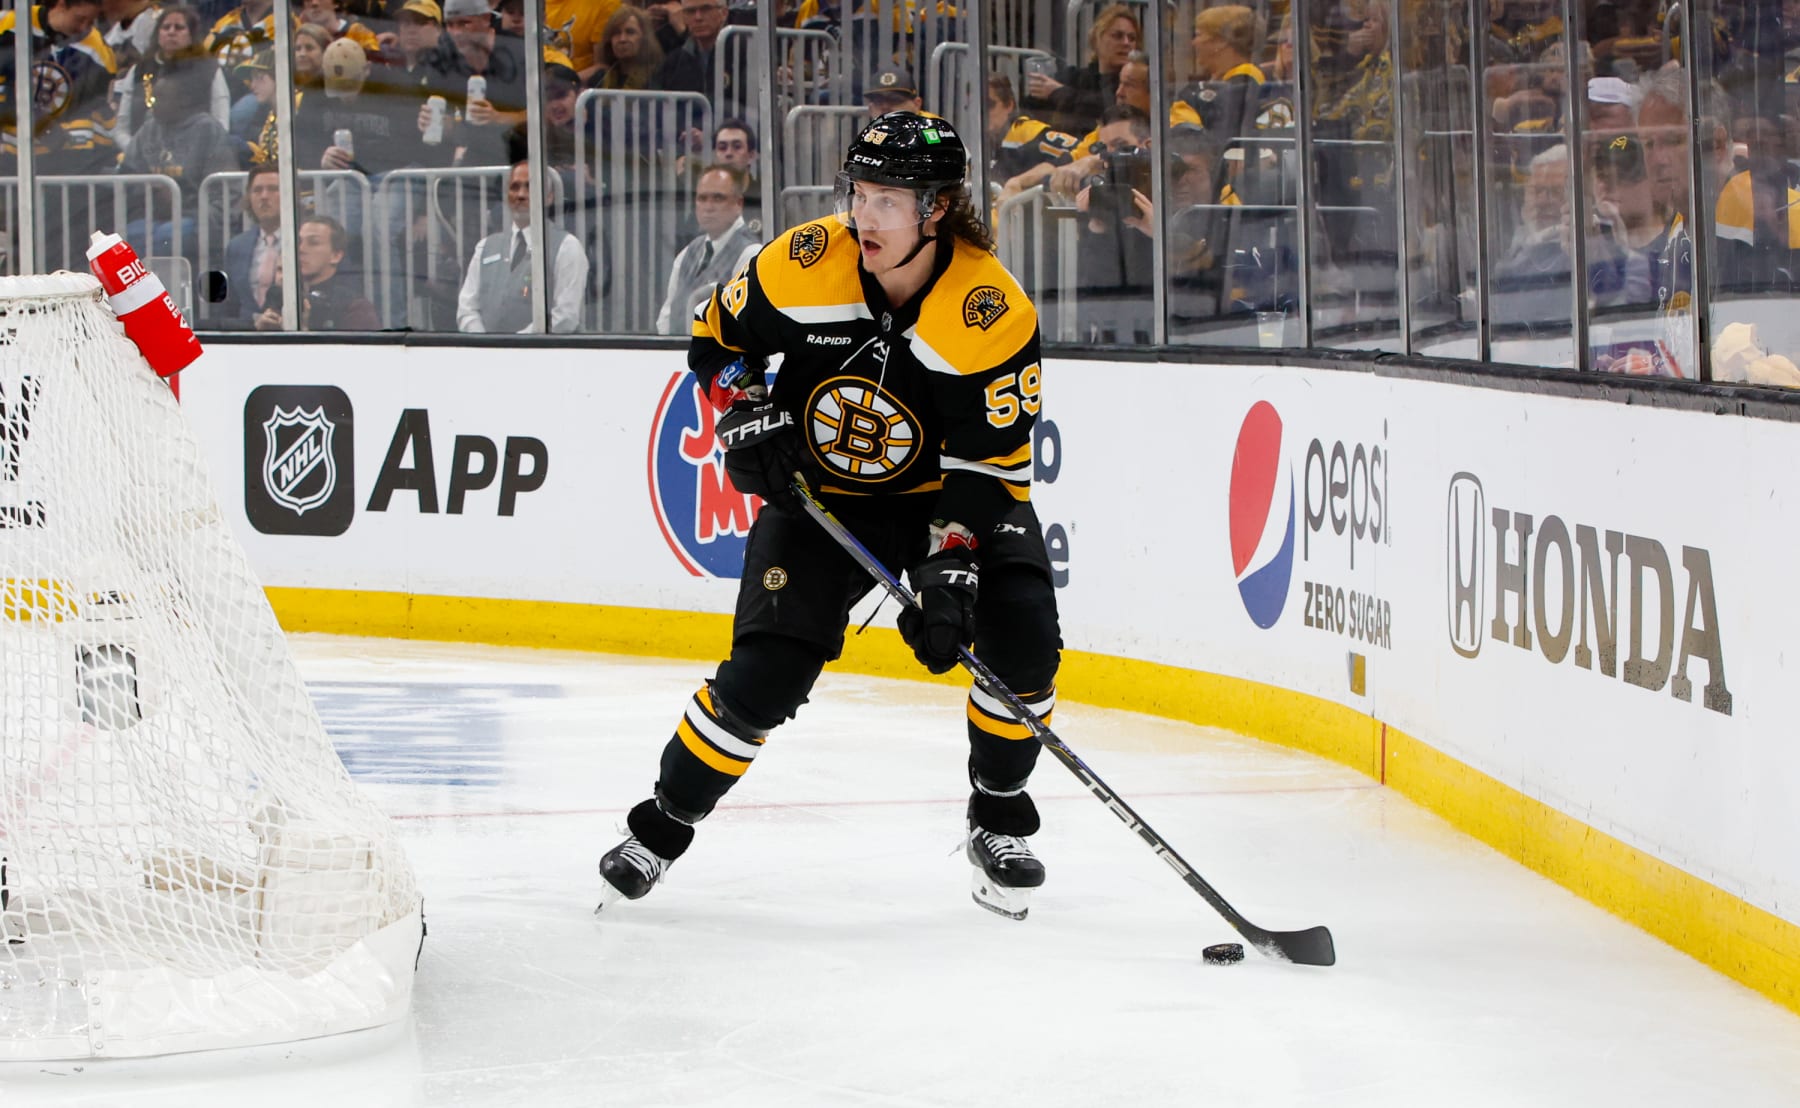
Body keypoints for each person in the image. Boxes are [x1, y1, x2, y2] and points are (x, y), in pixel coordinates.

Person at [596, 112, 1060, 922]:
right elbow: (715, 343)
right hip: (819, 496)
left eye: (888, 200)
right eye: (859, 193)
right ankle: (662, 824)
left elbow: (990, 464)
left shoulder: (991, 313)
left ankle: (998, 819)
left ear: (937, 209)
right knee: (765, 674)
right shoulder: (802, 263)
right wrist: (745, 412)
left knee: (1021, 634)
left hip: (942, 501)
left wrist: (950, 562)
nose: (863, 216)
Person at [455, 160, 589, 333]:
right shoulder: (484, 247)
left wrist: (516, 346)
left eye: (529, 187)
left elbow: (565, 317)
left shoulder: (568, 247)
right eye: (514, 187)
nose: (521, 194)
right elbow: (467, 309)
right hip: (487, 356)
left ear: (549, 197)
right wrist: (485, 345)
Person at [656, 163, 759, 334]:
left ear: (738, 203)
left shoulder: (751, 255)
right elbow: (665, 318)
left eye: (718, 198)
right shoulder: (687, 253)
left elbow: (744, 328)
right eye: (702, 198)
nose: (708, 207)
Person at [1023, 1, 1137, 137]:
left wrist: (1059, 93)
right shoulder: (1075, 76)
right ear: (1096, 39)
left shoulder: (1136, 82)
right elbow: (1029, 107)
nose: (1126, 43)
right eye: (1117, 36)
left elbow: (1109, 107)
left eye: (1132, 38)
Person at [255, 214, 379, 331]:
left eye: (313, 242)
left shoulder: (354, 307)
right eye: (298, 242)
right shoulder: (280, 296)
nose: (301, 249)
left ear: (336, 255)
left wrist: (303, 334)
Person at [220, 162, 283, 325]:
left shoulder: (305, 241)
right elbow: (230, 307)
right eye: (257, 190)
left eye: (273, 189)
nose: (264, 196)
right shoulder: (236, 245)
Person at [588, 3, 660, 89]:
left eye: (630, 32)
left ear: (644, 38)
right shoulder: (600, 79)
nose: (622, 39)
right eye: (616, 33)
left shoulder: (657, 77)